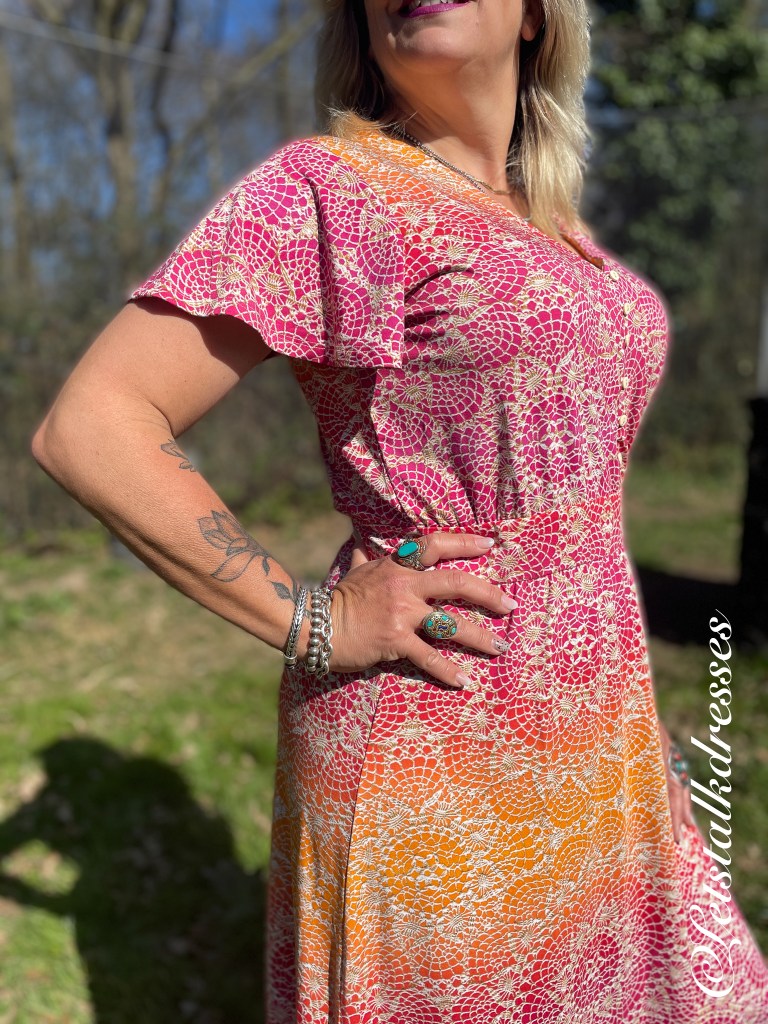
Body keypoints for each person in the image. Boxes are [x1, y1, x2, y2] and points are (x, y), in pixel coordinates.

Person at [31, 0, 768, 1020]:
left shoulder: (552, 221)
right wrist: (313, 620)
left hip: (598, 748)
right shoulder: (336, 190)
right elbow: (94, 424)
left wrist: (641, 745)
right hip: (435, 744)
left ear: (537, 16)